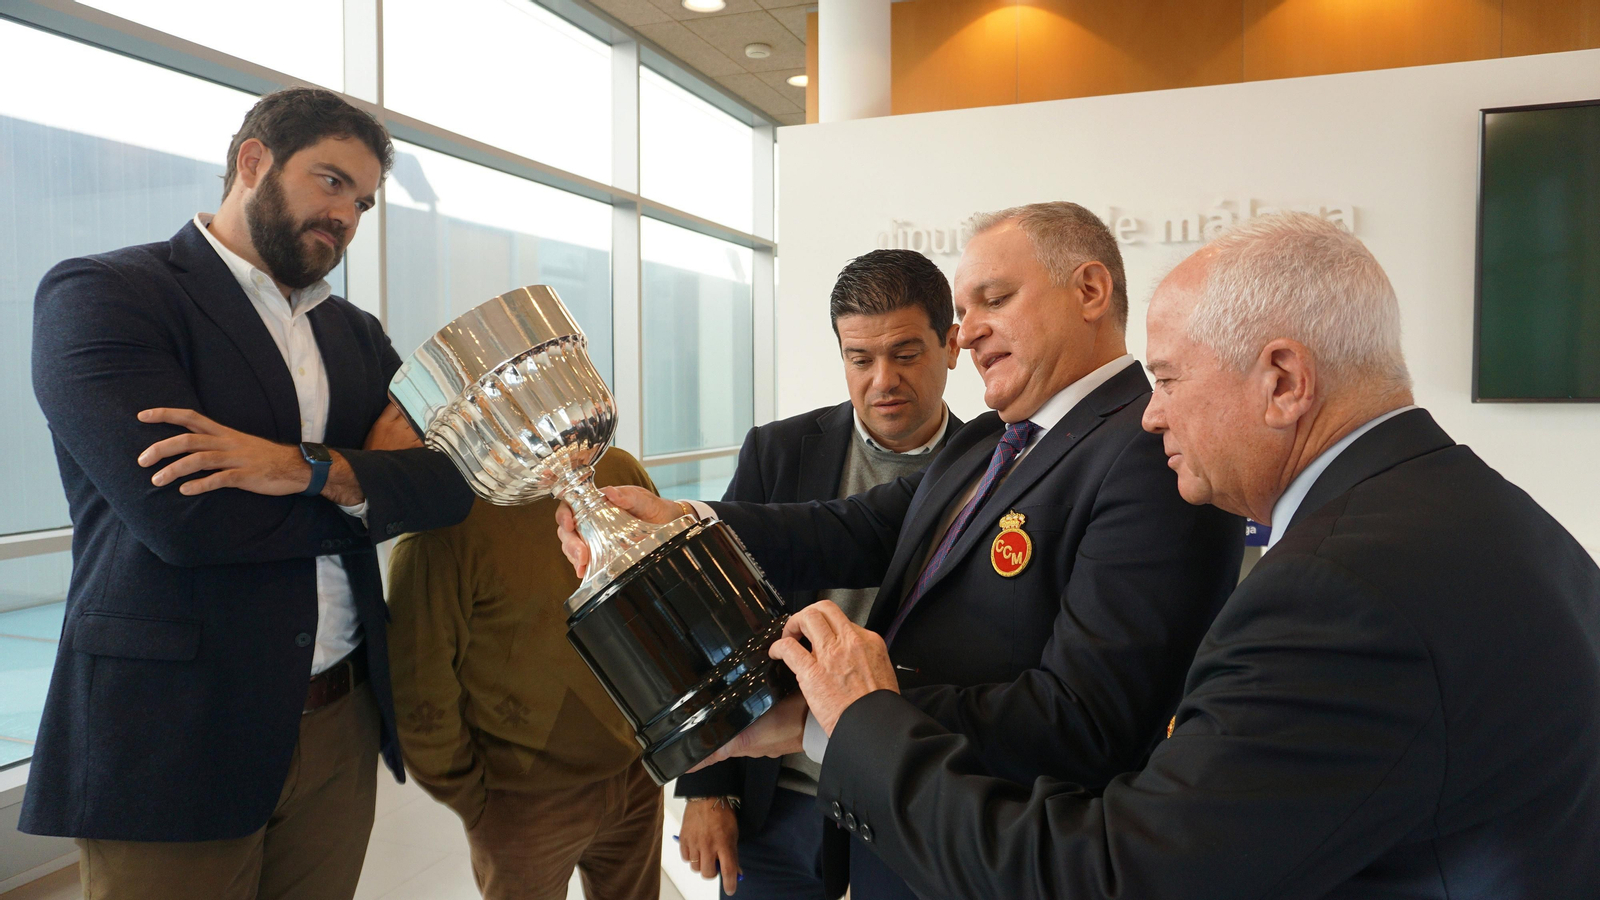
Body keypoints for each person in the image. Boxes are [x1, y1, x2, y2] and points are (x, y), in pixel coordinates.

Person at [768, 212, 1600, 899]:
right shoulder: (1489, 512)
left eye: (1166, 381)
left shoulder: (1333, 592)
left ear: (1282, 381)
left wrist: (864, 721)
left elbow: (1121, 877)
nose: (1152, 416)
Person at [562, 202, 1244, 899]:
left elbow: (1082, 719)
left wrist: (832, 718)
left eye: (996, 300)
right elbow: (847, 529)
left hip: (1001, 855)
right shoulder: (992, 439)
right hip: (904, 834)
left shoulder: (1151, 451)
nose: (969, 331)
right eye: (964, 309)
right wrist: (681, 520)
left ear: (1091, 292)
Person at [22, 87, 475, 900]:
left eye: (363, 201)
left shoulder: (355, 335)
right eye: (331, 181)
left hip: (341, 716)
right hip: (176, 728)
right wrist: (366, 486)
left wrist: (302, 467)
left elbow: (450, 485)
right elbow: (187, 522)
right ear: (253, 161)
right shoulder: (106, 296)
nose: (346, 216)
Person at [675, 249, 964, 899]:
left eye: (906, 353)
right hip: (777, 795)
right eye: (860, 359)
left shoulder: (993, 475)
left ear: (951, 345)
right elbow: (712, 619)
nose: (882, 379)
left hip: (906, 793)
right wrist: (706, 784)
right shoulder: (778, 452)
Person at [387, 448, 664, 900]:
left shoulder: (615, 470)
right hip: (524, 801)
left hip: (637, 773)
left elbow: (660, 598)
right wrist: (479, 805)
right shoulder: (445, 521)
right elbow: (418, 696)